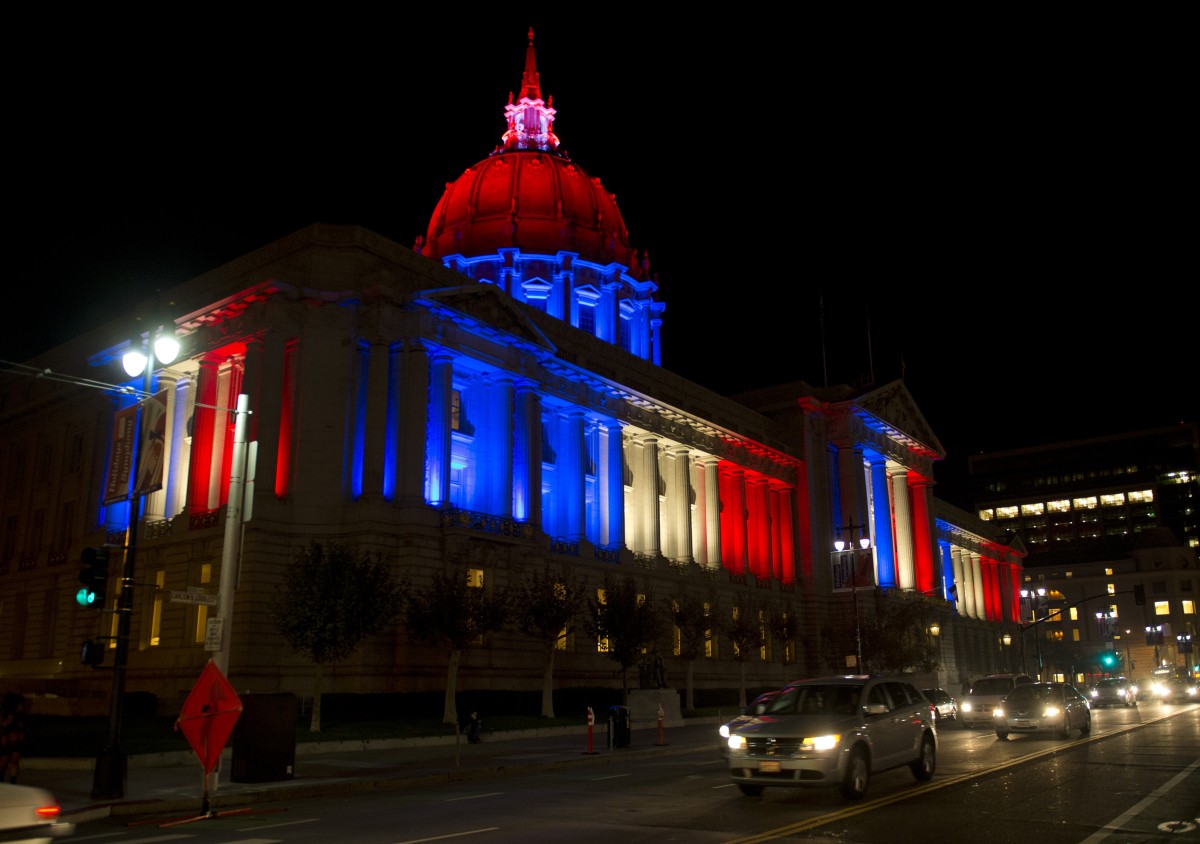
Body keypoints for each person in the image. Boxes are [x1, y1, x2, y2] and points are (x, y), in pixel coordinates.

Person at [0, 694, 29, 783]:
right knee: (4, 764)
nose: (22, 707)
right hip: (8, 741)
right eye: (20, 705)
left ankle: (12, 782)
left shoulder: (20, 717)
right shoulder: (8, 714)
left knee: (14, 762)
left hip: (16, 742)